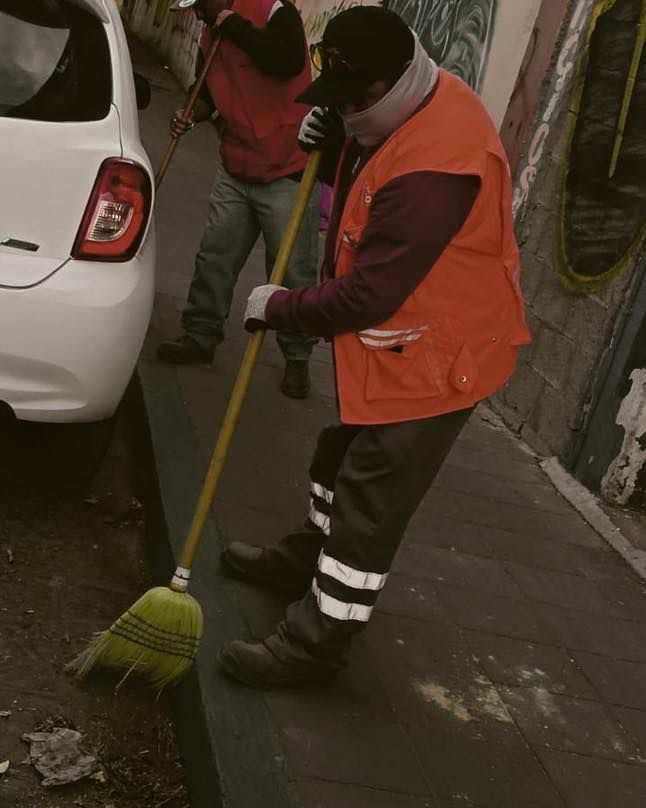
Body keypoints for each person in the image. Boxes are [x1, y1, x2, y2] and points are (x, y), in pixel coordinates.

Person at [218, 5, 531, 688]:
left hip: (438, 357)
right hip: (399, 346)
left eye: (355, 103)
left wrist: (282, 308)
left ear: (392, 85)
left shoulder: (438, 169)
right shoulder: (413, 102)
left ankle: (314, 646)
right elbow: (369, 183)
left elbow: (368, 296)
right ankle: (307, 556)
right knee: (338, 459)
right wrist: (336, 149)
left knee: (369, 502)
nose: (350, 111)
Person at [157, 0, 319, 399]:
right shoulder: (211, 33)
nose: (195, 15)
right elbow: (208, 92)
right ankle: (200, 334)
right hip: (236, 164)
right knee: (215, 255)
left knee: (291, 272)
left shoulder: (271, 10)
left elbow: (284, 59)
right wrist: (191, 113)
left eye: (199, 6)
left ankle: (297, 357)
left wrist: (234, 27)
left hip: (287, 167)